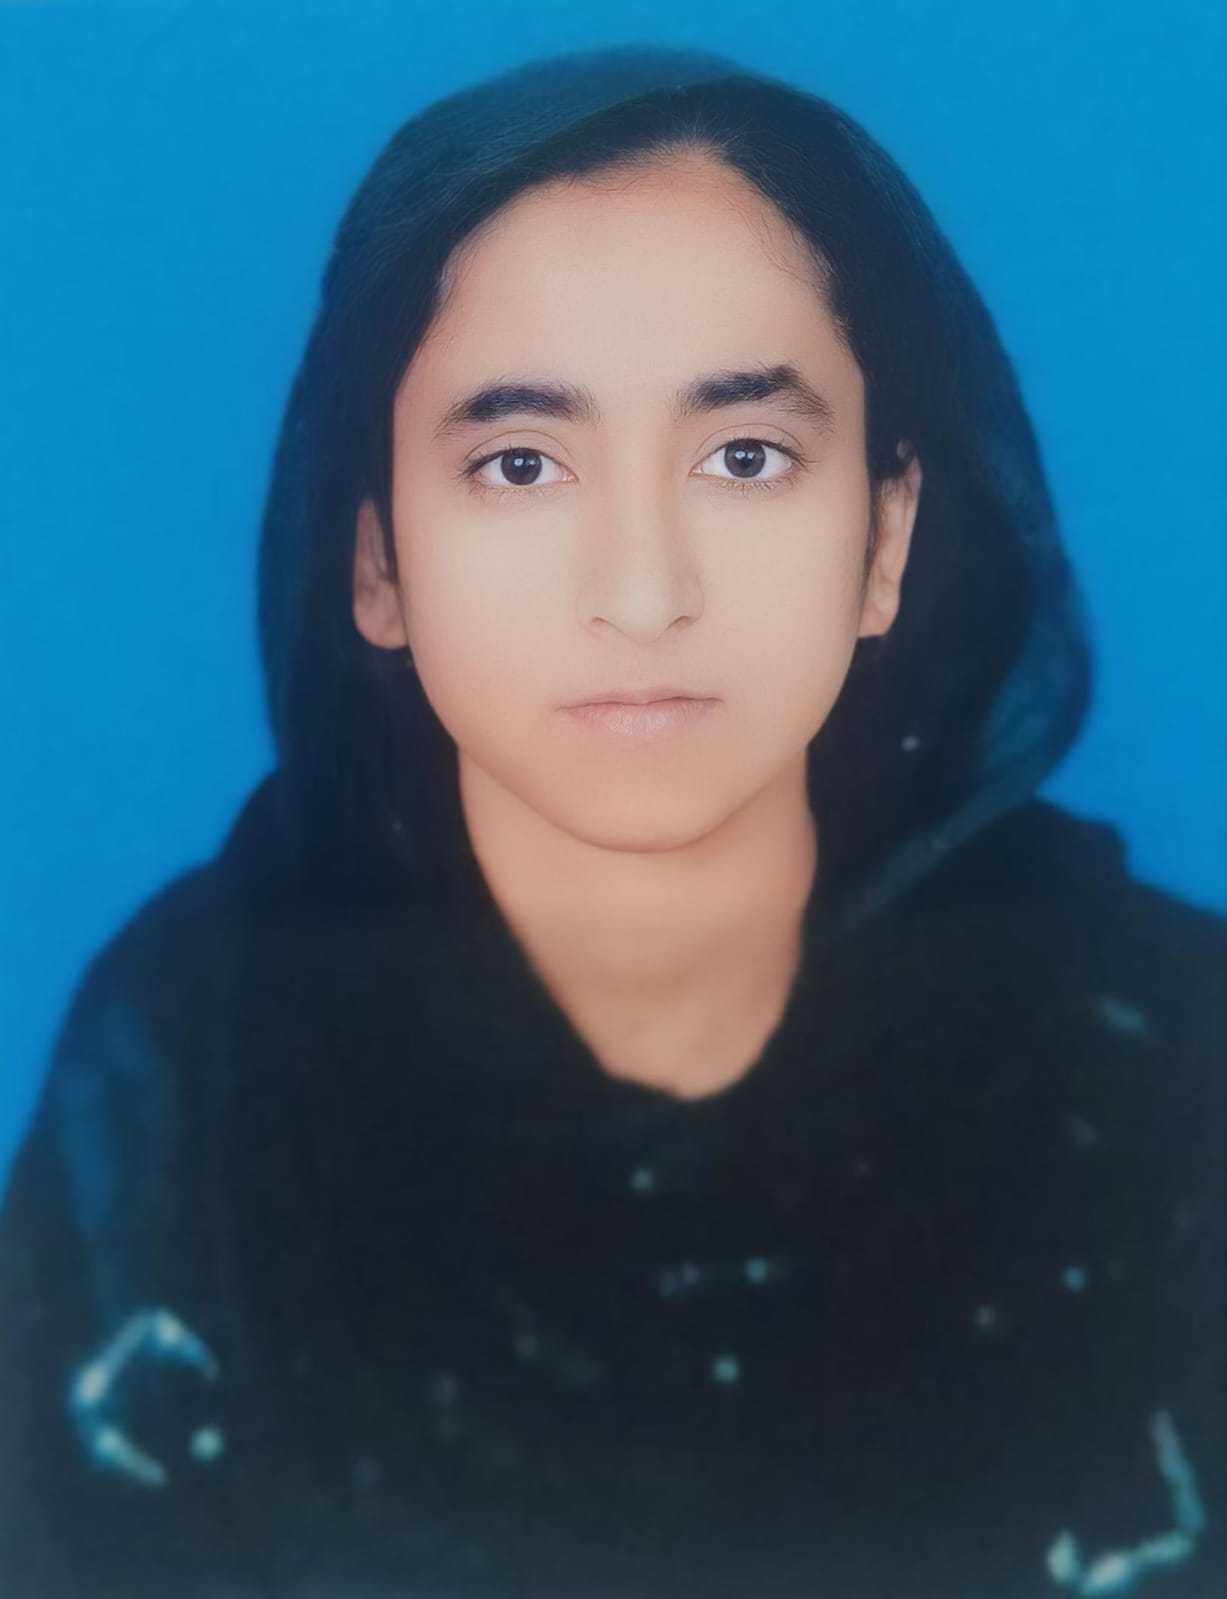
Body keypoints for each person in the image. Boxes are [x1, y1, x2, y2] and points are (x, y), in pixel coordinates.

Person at [1, 44, 1223, 1599]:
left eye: (746, 456)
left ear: (886, 538)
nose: (643, 591)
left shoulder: (1173, 1065)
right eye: (520, 463)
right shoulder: (188, 1081)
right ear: (374, 560)